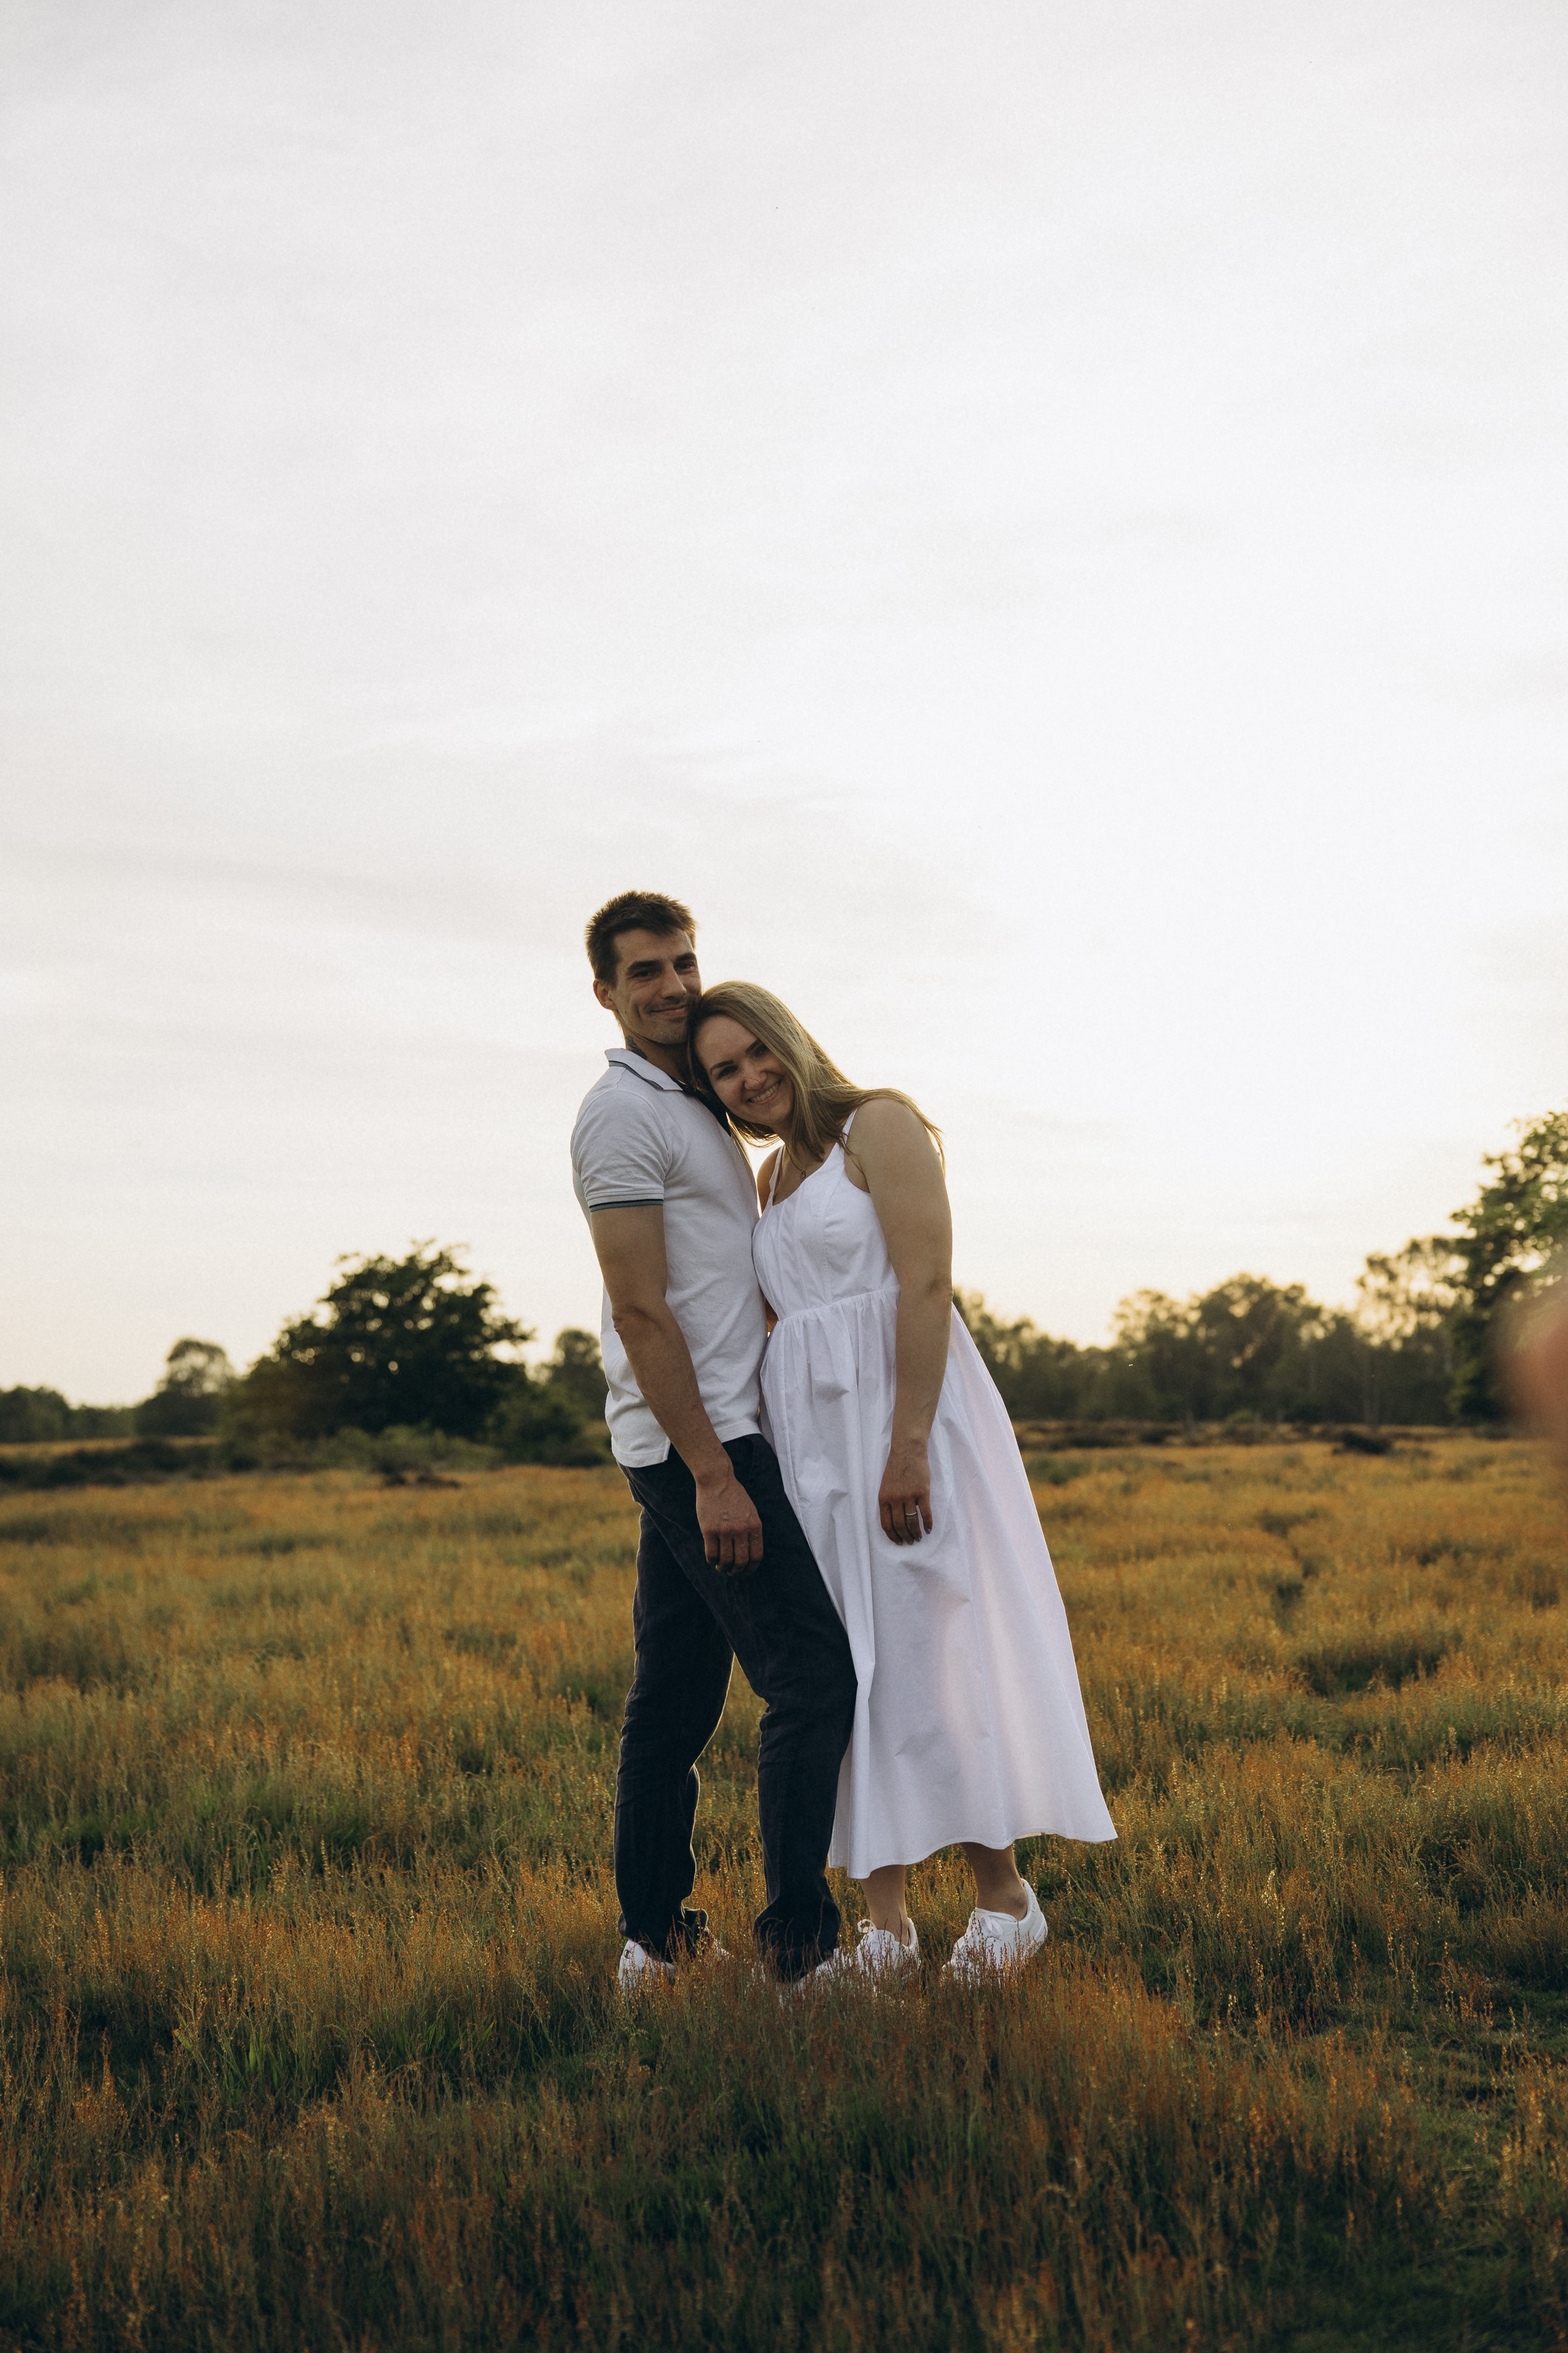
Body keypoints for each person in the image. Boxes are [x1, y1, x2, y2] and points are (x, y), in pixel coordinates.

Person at [691, 981, 1116, 1979]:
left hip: (901, 1416)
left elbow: (925, 1284)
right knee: (846, 1665)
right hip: (812, 1440)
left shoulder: (873, 1126)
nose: (751, 1078)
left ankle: (1002, 1898)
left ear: (789, 1040)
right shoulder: (771, 1180)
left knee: (931, 1647)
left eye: (757, 1052)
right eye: (725, 1071)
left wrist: (909, 1443)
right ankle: (882, 1922)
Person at [570, 893, 858, 1990]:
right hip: (699, 1450)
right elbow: (639, 1309)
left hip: (709, 1437)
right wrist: (712, 1477)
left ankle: (653, 1940)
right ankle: (799, 1951)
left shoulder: (691, 1104)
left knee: (676, 1701)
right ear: (605, 991)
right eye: (643, 971)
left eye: (682, 962)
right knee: (810, 1677)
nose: (670, 985)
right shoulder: (619, 1115)